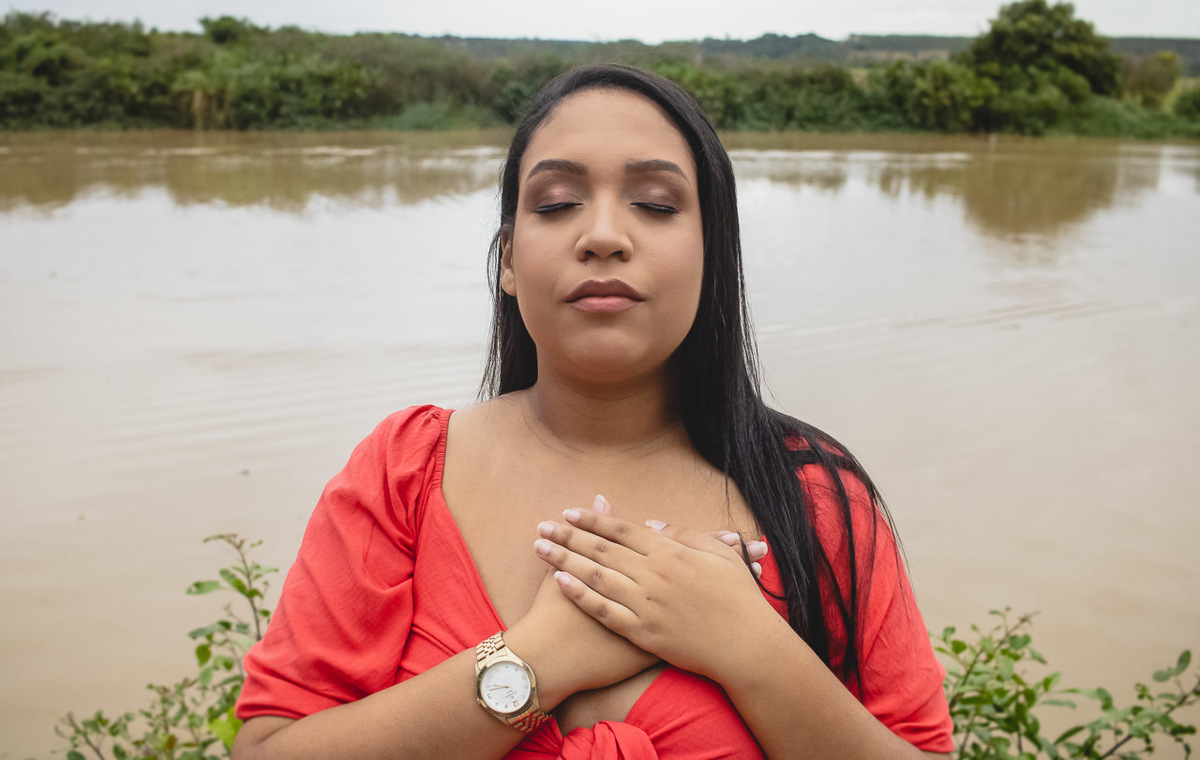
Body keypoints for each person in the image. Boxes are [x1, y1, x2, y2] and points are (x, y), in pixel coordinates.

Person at [231, 64, 954, 759]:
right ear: (508, 260)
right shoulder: (405, 472)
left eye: (657, 204)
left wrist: (747, 644)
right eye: (555, 203)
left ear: (712, 252)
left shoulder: (816, 498)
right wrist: (542, 657)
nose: (604, 235)